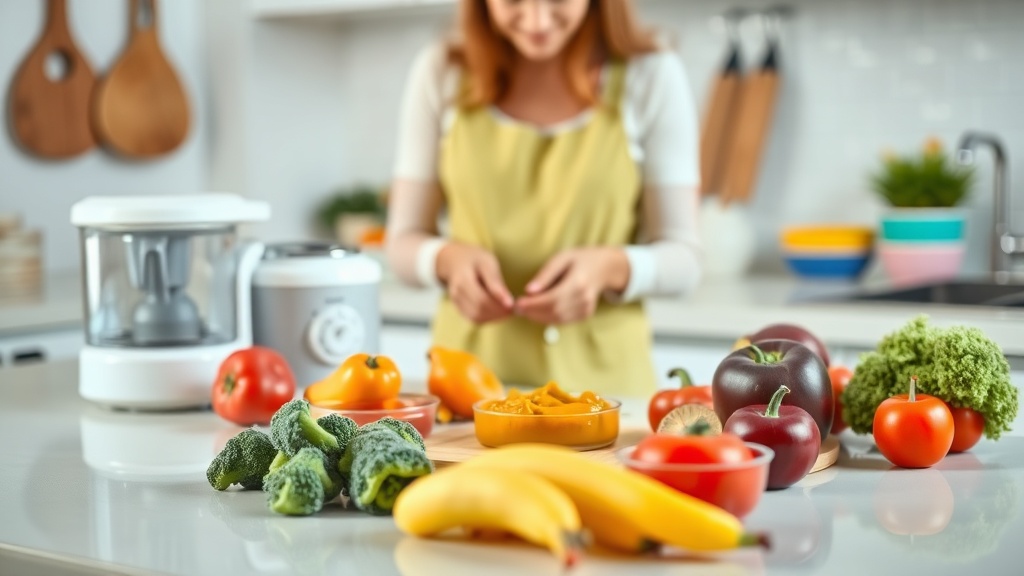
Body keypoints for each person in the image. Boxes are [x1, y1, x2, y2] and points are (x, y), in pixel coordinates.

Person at [385, 0, 702, 396]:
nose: (536, 19)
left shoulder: (651, 74)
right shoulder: (442, 72)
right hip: (467, 389)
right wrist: (446, 260)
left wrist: (610, 268)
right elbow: (401, 243)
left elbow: (685, 259)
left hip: (609, 394)